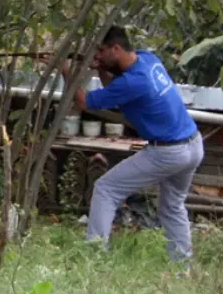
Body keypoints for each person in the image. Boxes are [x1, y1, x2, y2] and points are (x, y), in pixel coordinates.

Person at [67, 26, 204, 264]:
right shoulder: (148, 59)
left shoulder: (133, 82)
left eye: (101, 51)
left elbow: (83, 101)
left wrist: (65, 71)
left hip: (168, 151)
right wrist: (102, 67)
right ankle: (183, 267)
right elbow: (114, 88)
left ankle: (93, 257)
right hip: (193, 145)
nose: (97, 56)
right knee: (172, 207)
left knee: (105, 189)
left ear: (116, 48)